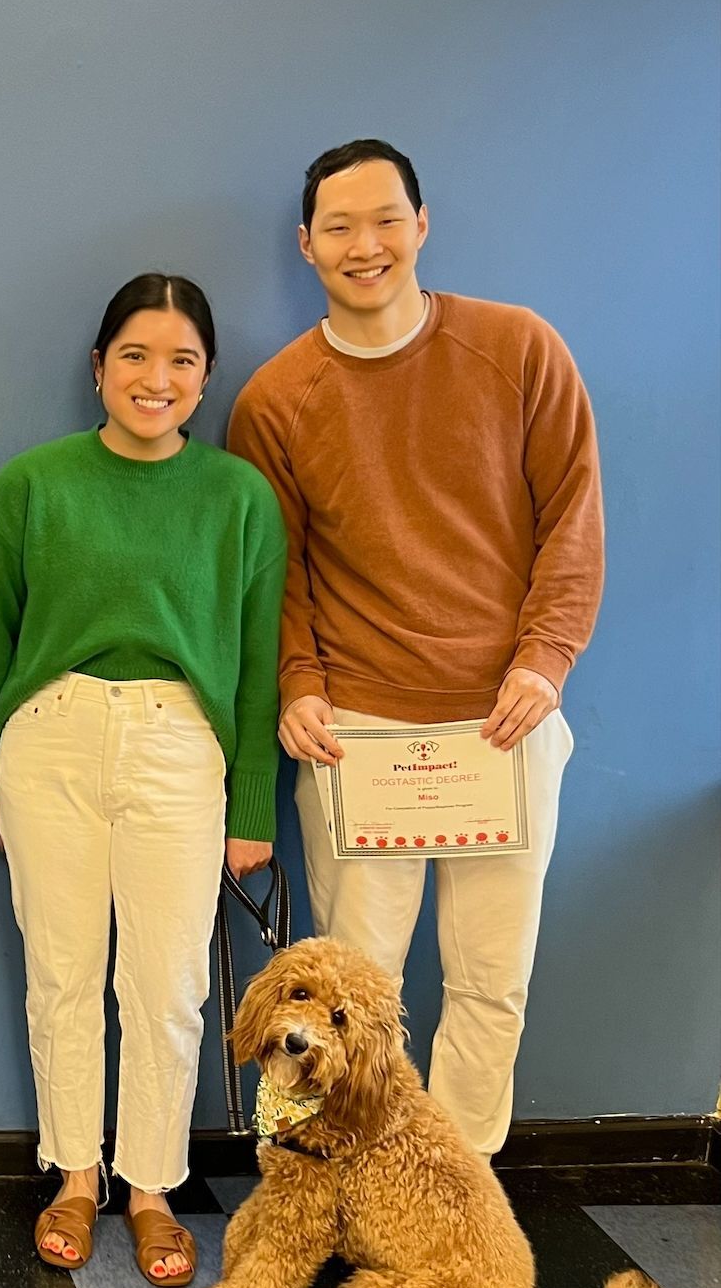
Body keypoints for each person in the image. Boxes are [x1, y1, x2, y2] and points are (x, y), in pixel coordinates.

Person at [228, 139, 603, 1157]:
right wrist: (297, 683)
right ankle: (344, 1187)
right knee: (345, 999)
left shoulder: (519, 349)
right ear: (306, 245)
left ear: (422, 225)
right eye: (339, 227)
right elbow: (275, 572)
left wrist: (545, 658)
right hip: (354, 731)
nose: (366, 245)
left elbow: (572, 518)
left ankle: (455, 1187)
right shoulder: (273, 400)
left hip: (504, 721)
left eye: (386, 219)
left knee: (492, 982)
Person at [0, 274, 284, 1282]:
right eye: (135, 355)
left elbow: (260, 662)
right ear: (98, 367)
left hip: (182, 744)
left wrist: (254, 806)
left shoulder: (239, 496)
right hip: (49, 738)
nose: (156, 377)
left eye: (182, 359)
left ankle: (151, 1187)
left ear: (206, 377)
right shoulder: (31, 484)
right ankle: (74, 1174)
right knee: (60, 974)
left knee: (169, 984)